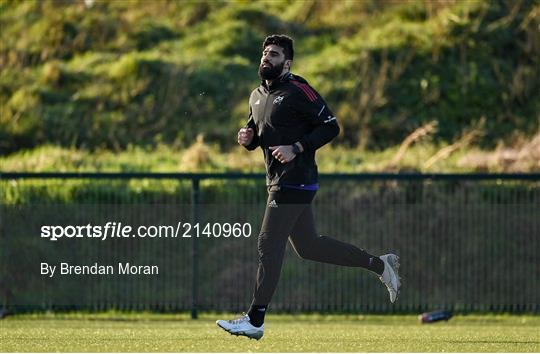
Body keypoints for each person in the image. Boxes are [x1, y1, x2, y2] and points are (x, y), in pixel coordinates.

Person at [216, 34, 400, 340]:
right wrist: (249, 140)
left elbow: (331, 125)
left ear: (286, 63)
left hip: (296, 179)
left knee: (267, 244)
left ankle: (255, 319)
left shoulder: (300, 90)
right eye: (265, 53)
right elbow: (260, 132)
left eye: (274, 54)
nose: (266, 58)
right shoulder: (256, 95)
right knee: (309, 247)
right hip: (277, 180)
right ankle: (379, 265)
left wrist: (297, 148)